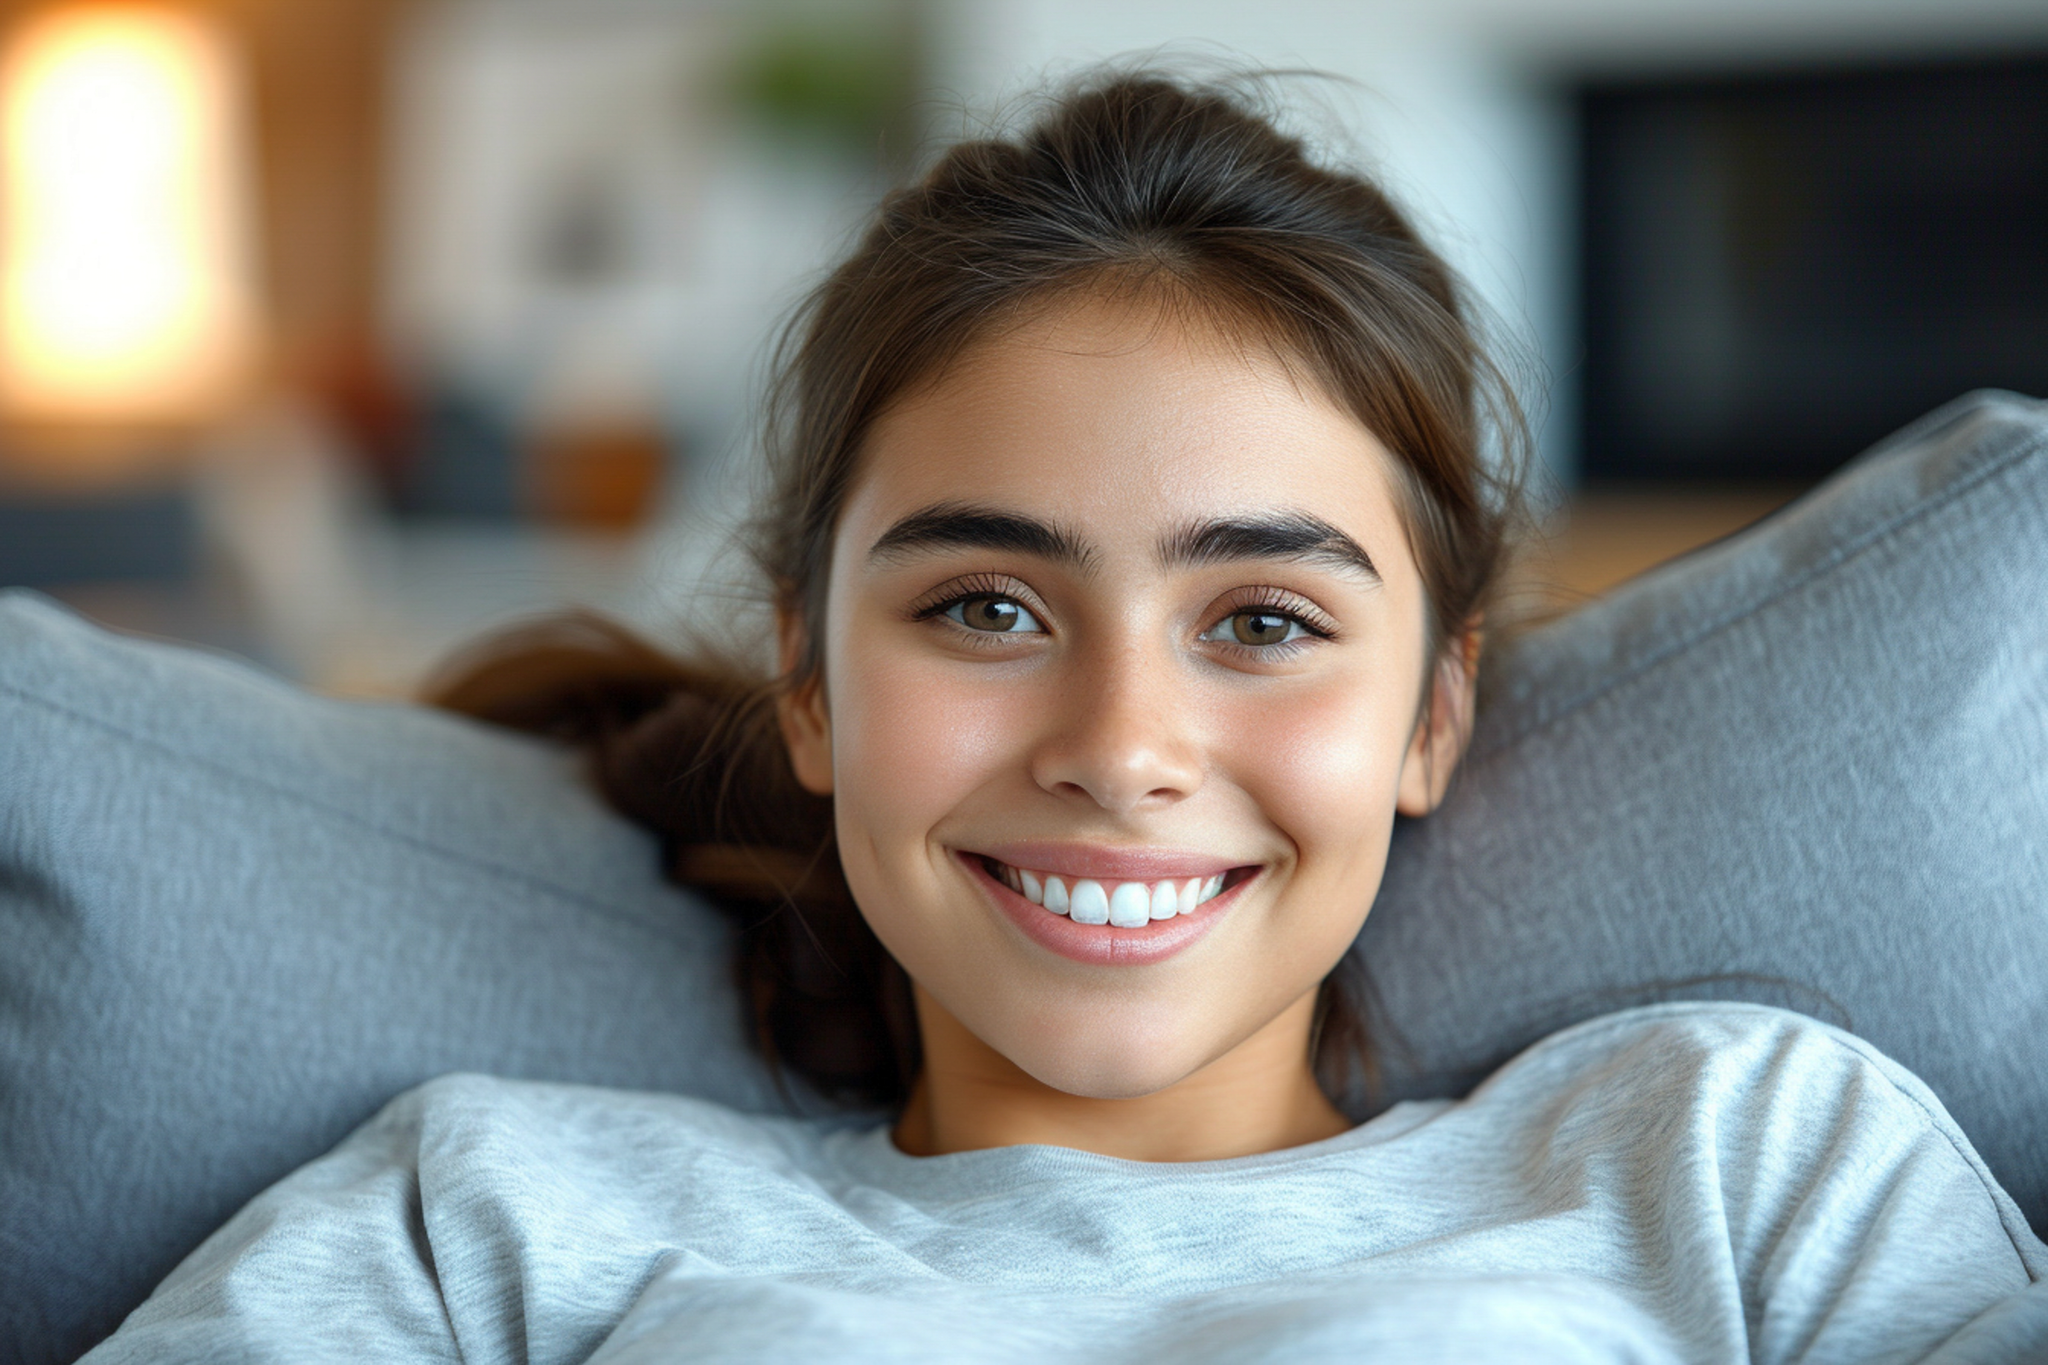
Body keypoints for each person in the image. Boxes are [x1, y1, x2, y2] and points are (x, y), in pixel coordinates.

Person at [86, 70, 2043, 1364]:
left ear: (1432, 714)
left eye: (1262, 618)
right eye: (988, 605)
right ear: (809, 681)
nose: (1120, 744)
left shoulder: (1734, 1160)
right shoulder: (493, 1228)